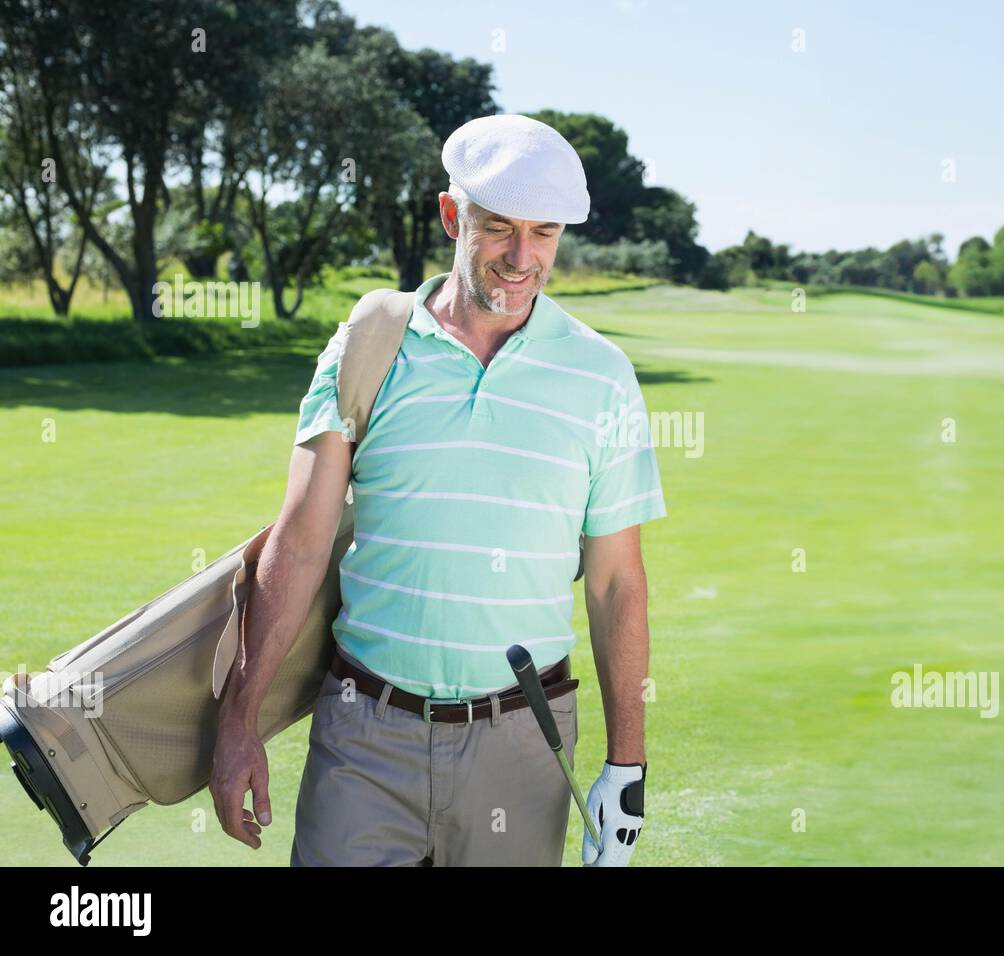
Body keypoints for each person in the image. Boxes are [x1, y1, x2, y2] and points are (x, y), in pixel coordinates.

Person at [209, 114, 666, 866]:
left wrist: (628, 766)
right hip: (365, 737)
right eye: (498, 228)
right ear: (453, 216)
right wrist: (238, 721)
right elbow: (298, 539)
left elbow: (618, 581)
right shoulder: (367, 345)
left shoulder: (601, 375)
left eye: (544, 233)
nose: (522, 258)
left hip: (524, 745)